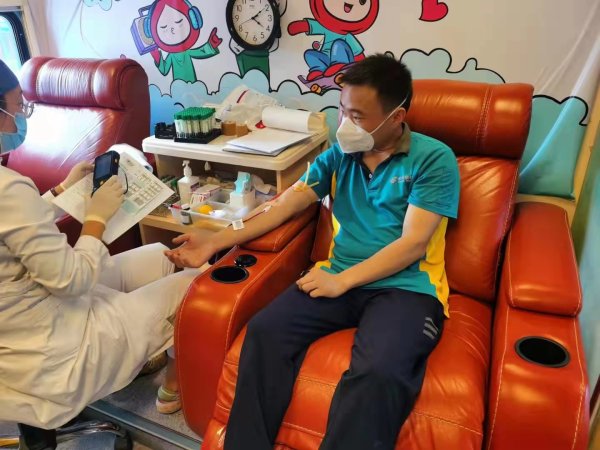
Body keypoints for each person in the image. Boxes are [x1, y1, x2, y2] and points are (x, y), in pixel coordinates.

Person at [166, 54, 460, 450]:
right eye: (342, 110)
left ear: (396, 117)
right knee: (264, 333)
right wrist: (217, 240)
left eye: (358, 116)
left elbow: (413, 244)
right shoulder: (339, 155)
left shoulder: (434, 159)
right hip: (336, 275)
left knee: (379, 372)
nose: (344, 124)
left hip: (406, 288)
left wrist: (343, 281)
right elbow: (285, 204)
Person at [0, 60, 197, 448]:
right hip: (51, 354)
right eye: (18, 106)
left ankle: (155, 360)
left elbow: (15, 230)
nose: (21, 116)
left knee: (160, 255)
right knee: (195, 283)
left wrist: (61, 191)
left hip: (17, 332)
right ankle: (174, 384)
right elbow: (72, 281)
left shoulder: (9, 191)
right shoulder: (8, 189)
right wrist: (96, 218)